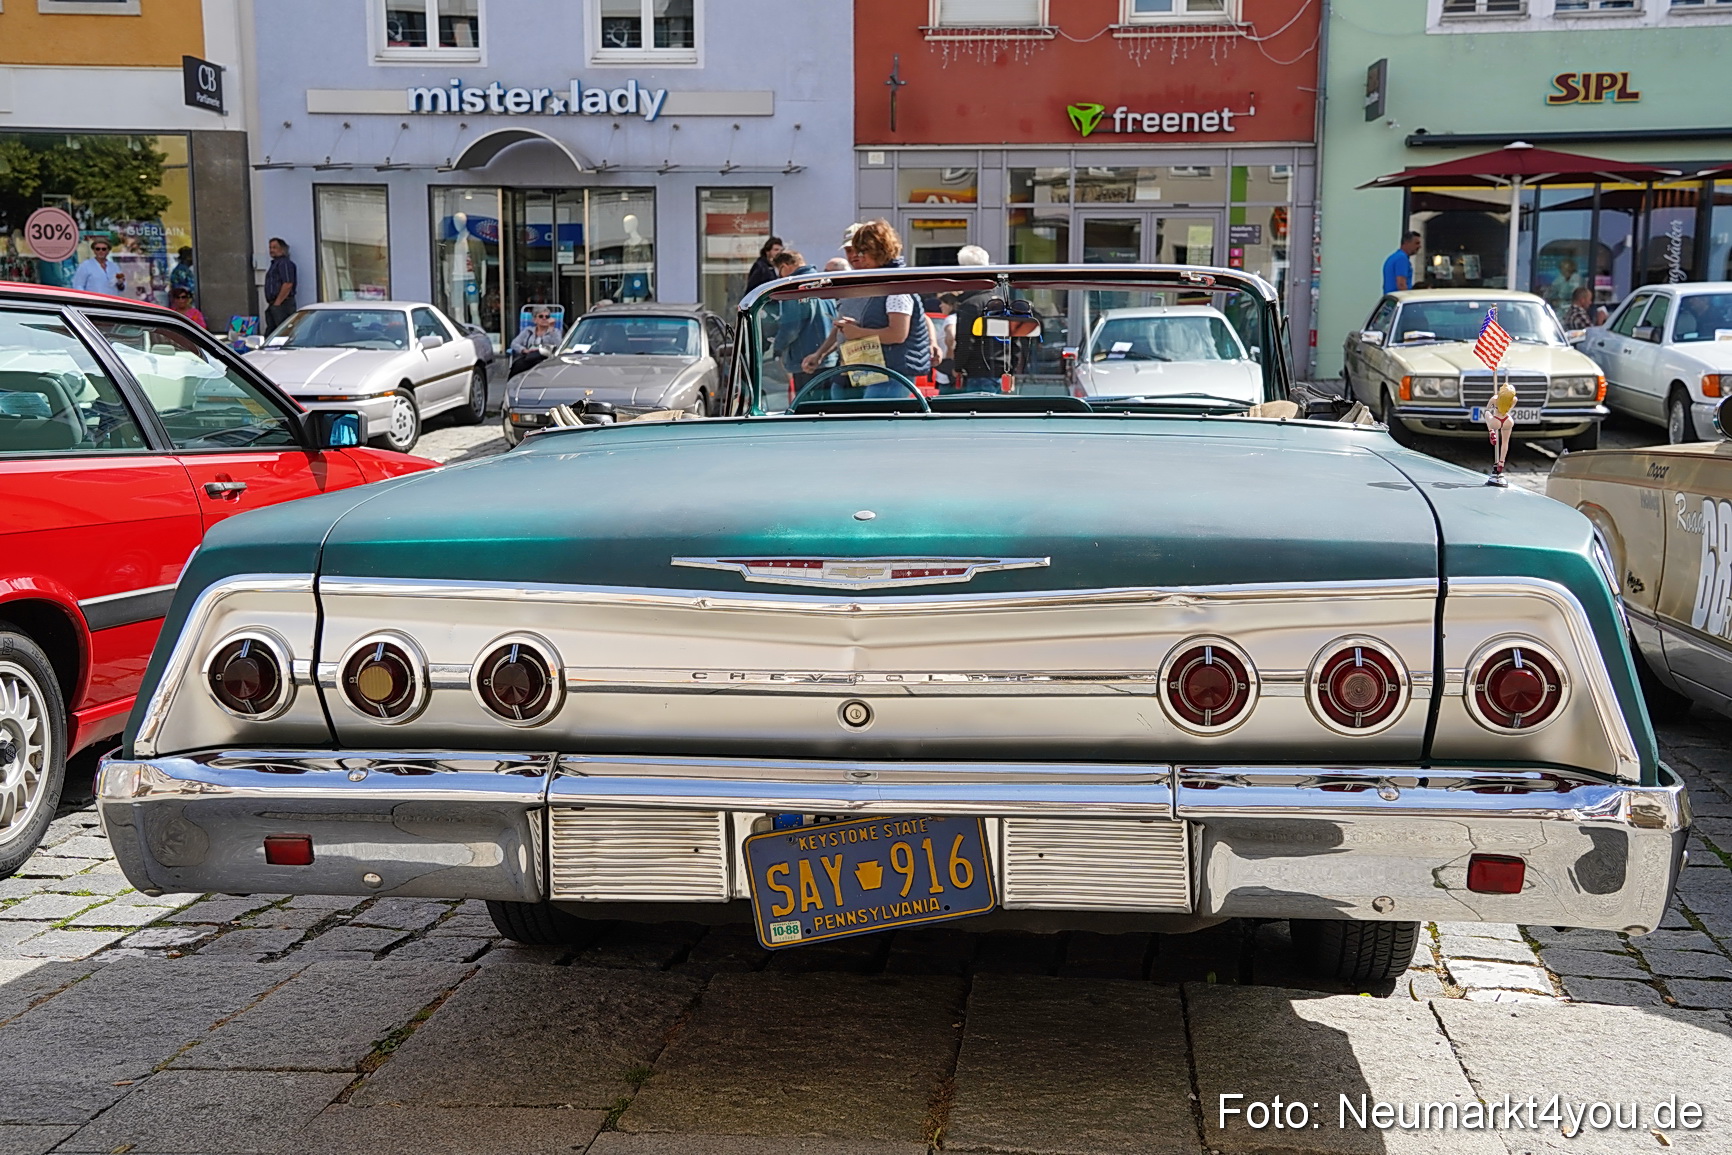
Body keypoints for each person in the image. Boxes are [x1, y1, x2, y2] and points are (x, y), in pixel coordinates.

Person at [826, 220, 930, 399]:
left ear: (879, 250)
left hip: (893, 373)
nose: (859, 257)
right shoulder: (882, 281)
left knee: (873, 421)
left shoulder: (896, 286)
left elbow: (897, 334)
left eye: (863, 251)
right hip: (875, 370)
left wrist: (858, 332)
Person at [769, 250, 838, 401]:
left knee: (809, 412)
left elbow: (791, 327)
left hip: (806, 361)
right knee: (829, 411)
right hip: (829, 357)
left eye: (779, 271)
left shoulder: (795, 287)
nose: (780, 277)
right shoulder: (823, 282)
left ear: (786, 266)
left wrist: (778, 348)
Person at [950, 245, 1006, 393]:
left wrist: (958, 366)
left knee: (976, 413)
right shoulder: (1004, 303)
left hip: (978, 371)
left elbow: (965, 341)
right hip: (1002, 371)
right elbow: (1015, 340)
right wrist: (1012, 368)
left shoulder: (970, 305)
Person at [508, 306, 563, 376]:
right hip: (529, 357)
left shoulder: (555, 332)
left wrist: (551, 329)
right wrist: (524, 350)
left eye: (547, 316)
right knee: (516, 365)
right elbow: (514, 343)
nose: (544, 318)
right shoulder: (528, 331)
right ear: (534, 320)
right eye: (541, 316)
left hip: (546, 358)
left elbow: (559, 346)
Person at [264, 238, 298, 333]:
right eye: (270, 247)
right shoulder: (275, 264)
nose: (271, 250)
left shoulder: (285, 263)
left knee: (283, 332)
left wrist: (277, 303)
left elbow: (288, 283)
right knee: (272, 332)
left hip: (283, 304)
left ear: (282, 249)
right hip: (274, 303)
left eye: (275, 247)